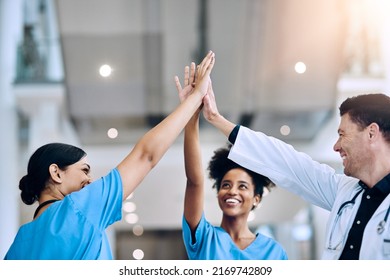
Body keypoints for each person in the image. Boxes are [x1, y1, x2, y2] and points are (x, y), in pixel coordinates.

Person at [3, 51, 215, 260]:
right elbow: (145, 156)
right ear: (56, 173)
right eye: (84, 170)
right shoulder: (79, 208)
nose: (90, 180)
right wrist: (195, 98)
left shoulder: (17, 247)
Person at [201, 88, 390, 260]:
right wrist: (216, 118)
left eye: (342, 134)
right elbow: (286, 162)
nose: (336, 146)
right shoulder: (345, 192)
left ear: (371, 133)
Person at [174, 64, 287, 260]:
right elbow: (194, 181)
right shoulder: (204, 238)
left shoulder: (274, 253)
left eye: (242, 186)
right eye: (226, 185)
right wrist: (191, 113)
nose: (232, 191)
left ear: (257, 198)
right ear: (218, 193)